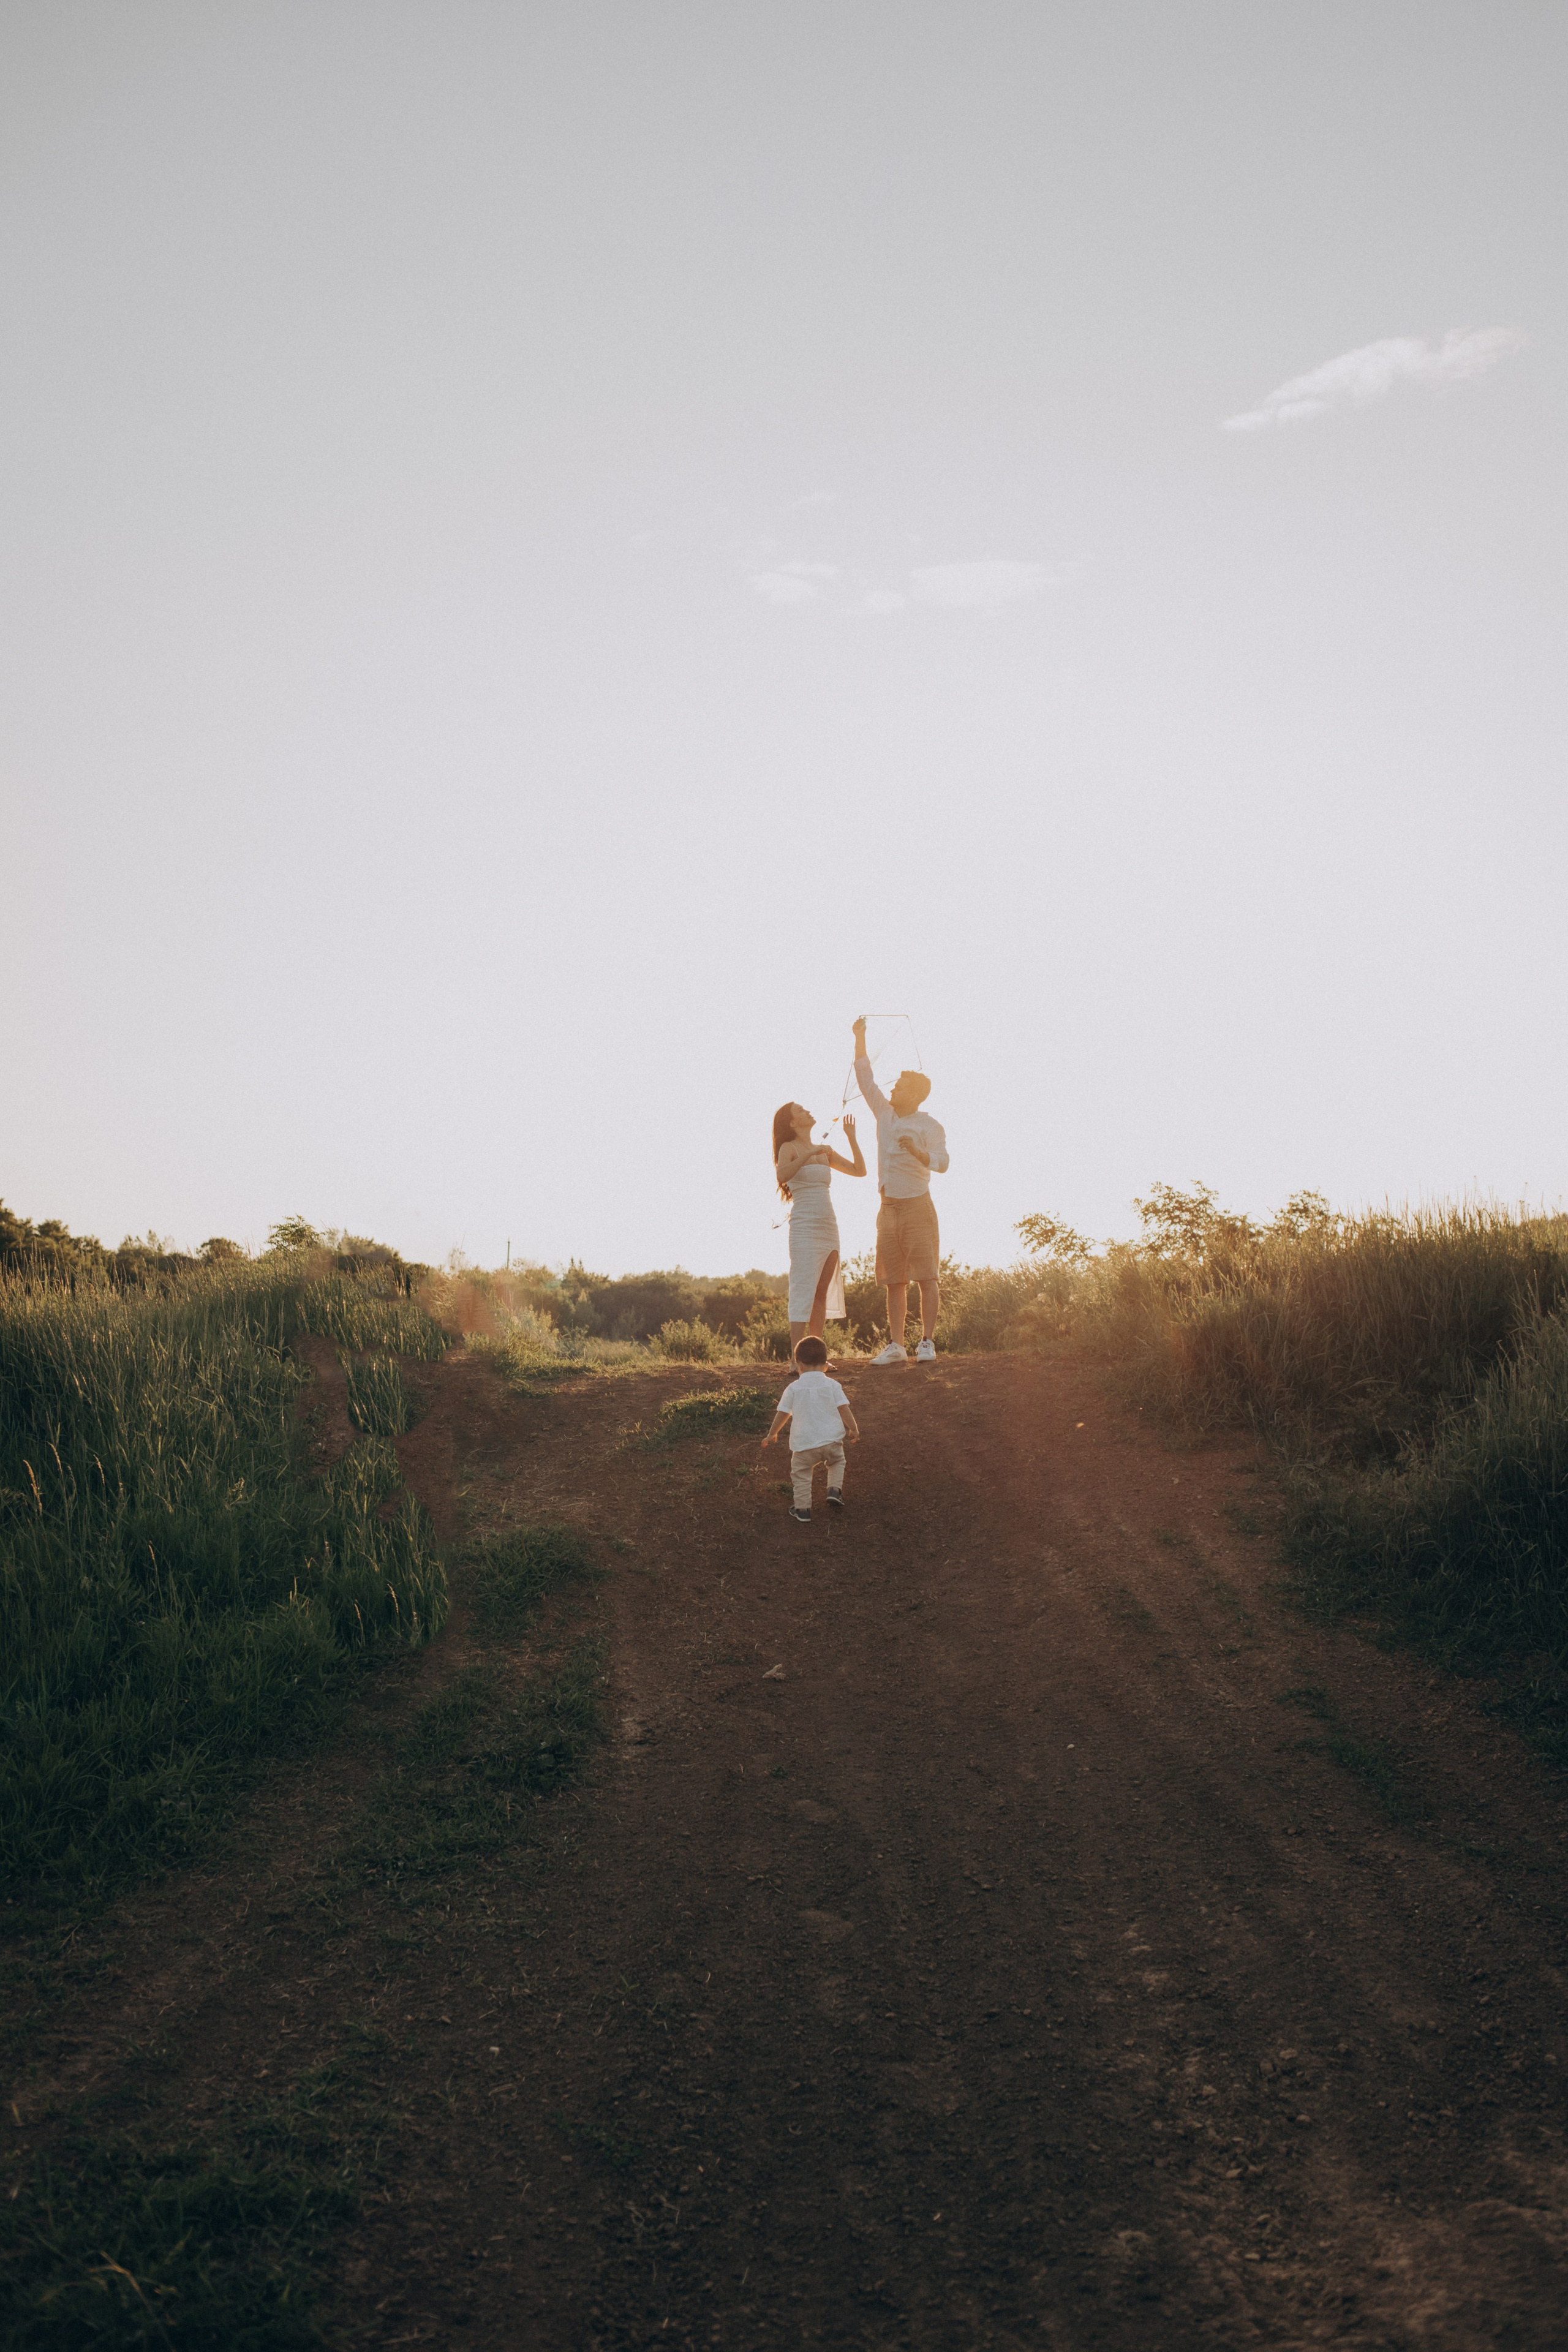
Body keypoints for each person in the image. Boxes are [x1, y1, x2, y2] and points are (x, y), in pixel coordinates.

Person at [851, 1013, 949, 1364]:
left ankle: (926, 1342)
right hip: (887, 1209)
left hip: (918, 1206)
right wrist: (859, 1037)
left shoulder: (929, 1125)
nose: (892, 1090)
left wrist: (920, 1152)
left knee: (926, 1277)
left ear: (917, 1096)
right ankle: (896, 1346)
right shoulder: (884, 1114)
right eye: (893, 1087)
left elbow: (943, 1162)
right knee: (894, 1281)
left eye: (899, 1088)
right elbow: (865, 1078)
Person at [772, 1100, 865, 1349]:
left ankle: (816, 1356)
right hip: (804, 1226)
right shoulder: (788, 1148)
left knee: (821, 1293)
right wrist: (808, 1154)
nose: (808, 1111)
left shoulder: (823, 1151)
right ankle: (796, 1358)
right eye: (801, 1111)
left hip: (828, 1225)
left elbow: (860, 1171)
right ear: (792, 1123)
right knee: (803, 1290)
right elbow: (782, 1175)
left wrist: (852, 1138)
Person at [761, 1333, 860, 1523]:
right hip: (832, 1442)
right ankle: (833, 1490)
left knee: (802, 1474)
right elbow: (844, 1408)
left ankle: (803, 1509)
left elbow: (783, 1413)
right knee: (838, 1462)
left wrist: (772, 1433)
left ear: (799, 1366)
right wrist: (853, 1428)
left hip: (805, 1445)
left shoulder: (793, 1388)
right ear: (825, 1366)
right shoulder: (833, 1385)